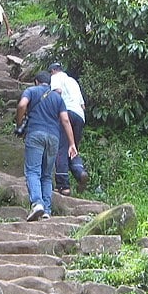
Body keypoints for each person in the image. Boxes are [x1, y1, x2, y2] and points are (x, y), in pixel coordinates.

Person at [16, 71, 77, 221]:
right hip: (54, 138)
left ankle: (37, 203)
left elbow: (22, 105)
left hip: (36, 134)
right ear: (49, 83)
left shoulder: (31, 91)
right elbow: (65, 120)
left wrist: (19, 123)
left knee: (32, 171)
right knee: (47, 175)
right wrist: (71, 143)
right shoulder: (57, 98)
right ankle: (46, 211)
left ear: (36, 81)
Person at [48, 62, 89, 195]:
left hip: (66, 114)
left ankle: (63, 185)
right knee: (73, 147)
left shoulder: (56, 77)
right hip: (80, 116)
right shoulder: (73, 81)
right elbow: (83, 106)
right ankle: (80, 172)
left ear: (53, 70)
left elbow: (57, 92)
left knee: (62, 148)